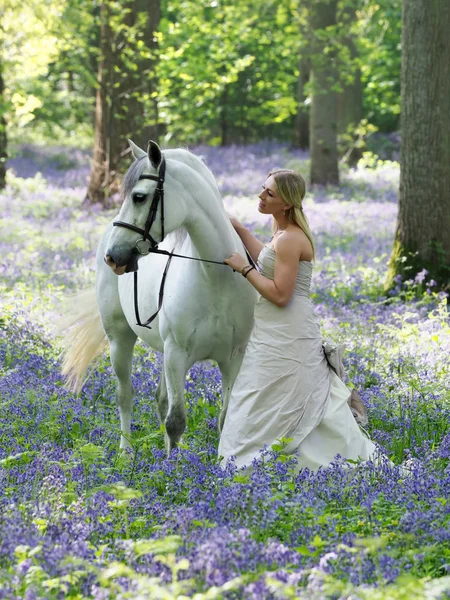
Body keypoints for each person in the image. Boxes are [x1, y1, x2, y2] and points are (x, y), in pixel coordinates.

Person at [219, 169, 377, 472]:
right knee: (261, 389)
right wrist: (240, 229)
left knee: (284, 389)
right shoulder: (281, 234)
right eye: (263, 189)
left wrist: (243, 269)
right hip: (273, 327)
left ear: (287, 204)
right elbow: (268, 257)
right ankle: (259, 460)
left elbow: (280, 295)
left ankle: (270, 463)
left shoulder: (291, 238)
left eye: (270, 194)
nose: (261, 197)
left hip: (287, 327)